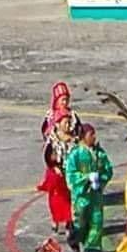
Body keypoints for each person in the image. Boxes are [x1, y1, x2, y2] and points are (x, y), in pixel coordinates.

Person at [65, 123, 114, 252]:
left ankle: (92, 249)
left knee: (96, 221)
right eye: (91, 134)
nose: (94, 137)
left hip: (95, 195)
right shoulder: (75, 154)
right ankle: (75, 236)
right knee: (81, 222)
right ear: (83, 136)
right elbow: (70, 174)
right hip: (82, 196)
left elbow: (108, 169)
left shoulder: (99, 153)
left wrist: (100, 179)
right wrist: (86, 178)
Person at [38, 84, 76, 233]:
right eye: (62, 100)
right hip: (56, 169)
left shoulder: (72, 116)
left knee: (68, 195)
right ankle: (55, 219)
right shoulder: (51, 118)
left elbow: (78, 129)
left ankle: (68, 220)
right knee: (55, 196)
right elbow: (47, 153)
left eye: (66, 99)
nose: (64, 103)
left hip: (68, 168)